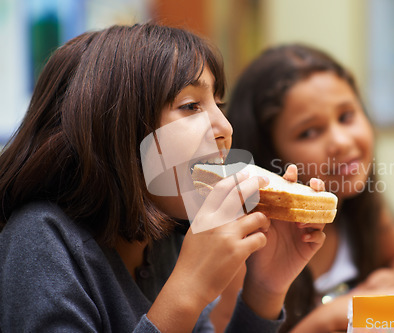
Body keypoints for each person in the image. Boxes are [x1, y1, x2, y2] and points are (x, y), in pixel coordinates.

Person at [0, 24, 328, 332]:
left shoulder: (166, 241)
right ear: (118, 130)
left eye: (218, 104)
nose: (225, 129)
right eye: (190, 106)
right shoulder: (41, 239)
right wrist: (187, 291)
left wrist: (265, 290)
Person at [222, 44, 394, 332]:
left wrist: (389, 282)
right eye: (309, 132)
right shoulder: (247, 243)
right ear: (271, 156)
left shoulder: (353, 204)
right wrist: (328, 319)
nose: (342, 142)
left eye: (346, 117)